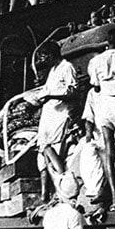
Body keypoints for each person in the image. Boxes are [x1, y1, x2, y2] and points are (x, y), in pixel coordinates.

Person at [25, 42, 81, 196]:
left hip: (60, 115)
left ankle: (61, 191)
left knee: (54, 152)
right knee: (43, 151)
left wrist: (51, 96)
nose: (43, 60)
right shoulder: (53, 71)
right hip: (49, 116)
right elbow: (46, 91)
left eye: (44, 57)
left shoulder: (67, 67)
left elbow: (73, 93)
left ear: (51, 55)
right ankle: (45, 193)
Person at [86, 27, 115, 209]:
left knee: (109, 151)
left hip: (105, 106)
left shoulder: (95, 61)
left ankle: (113, 199)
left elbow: (95, 87)